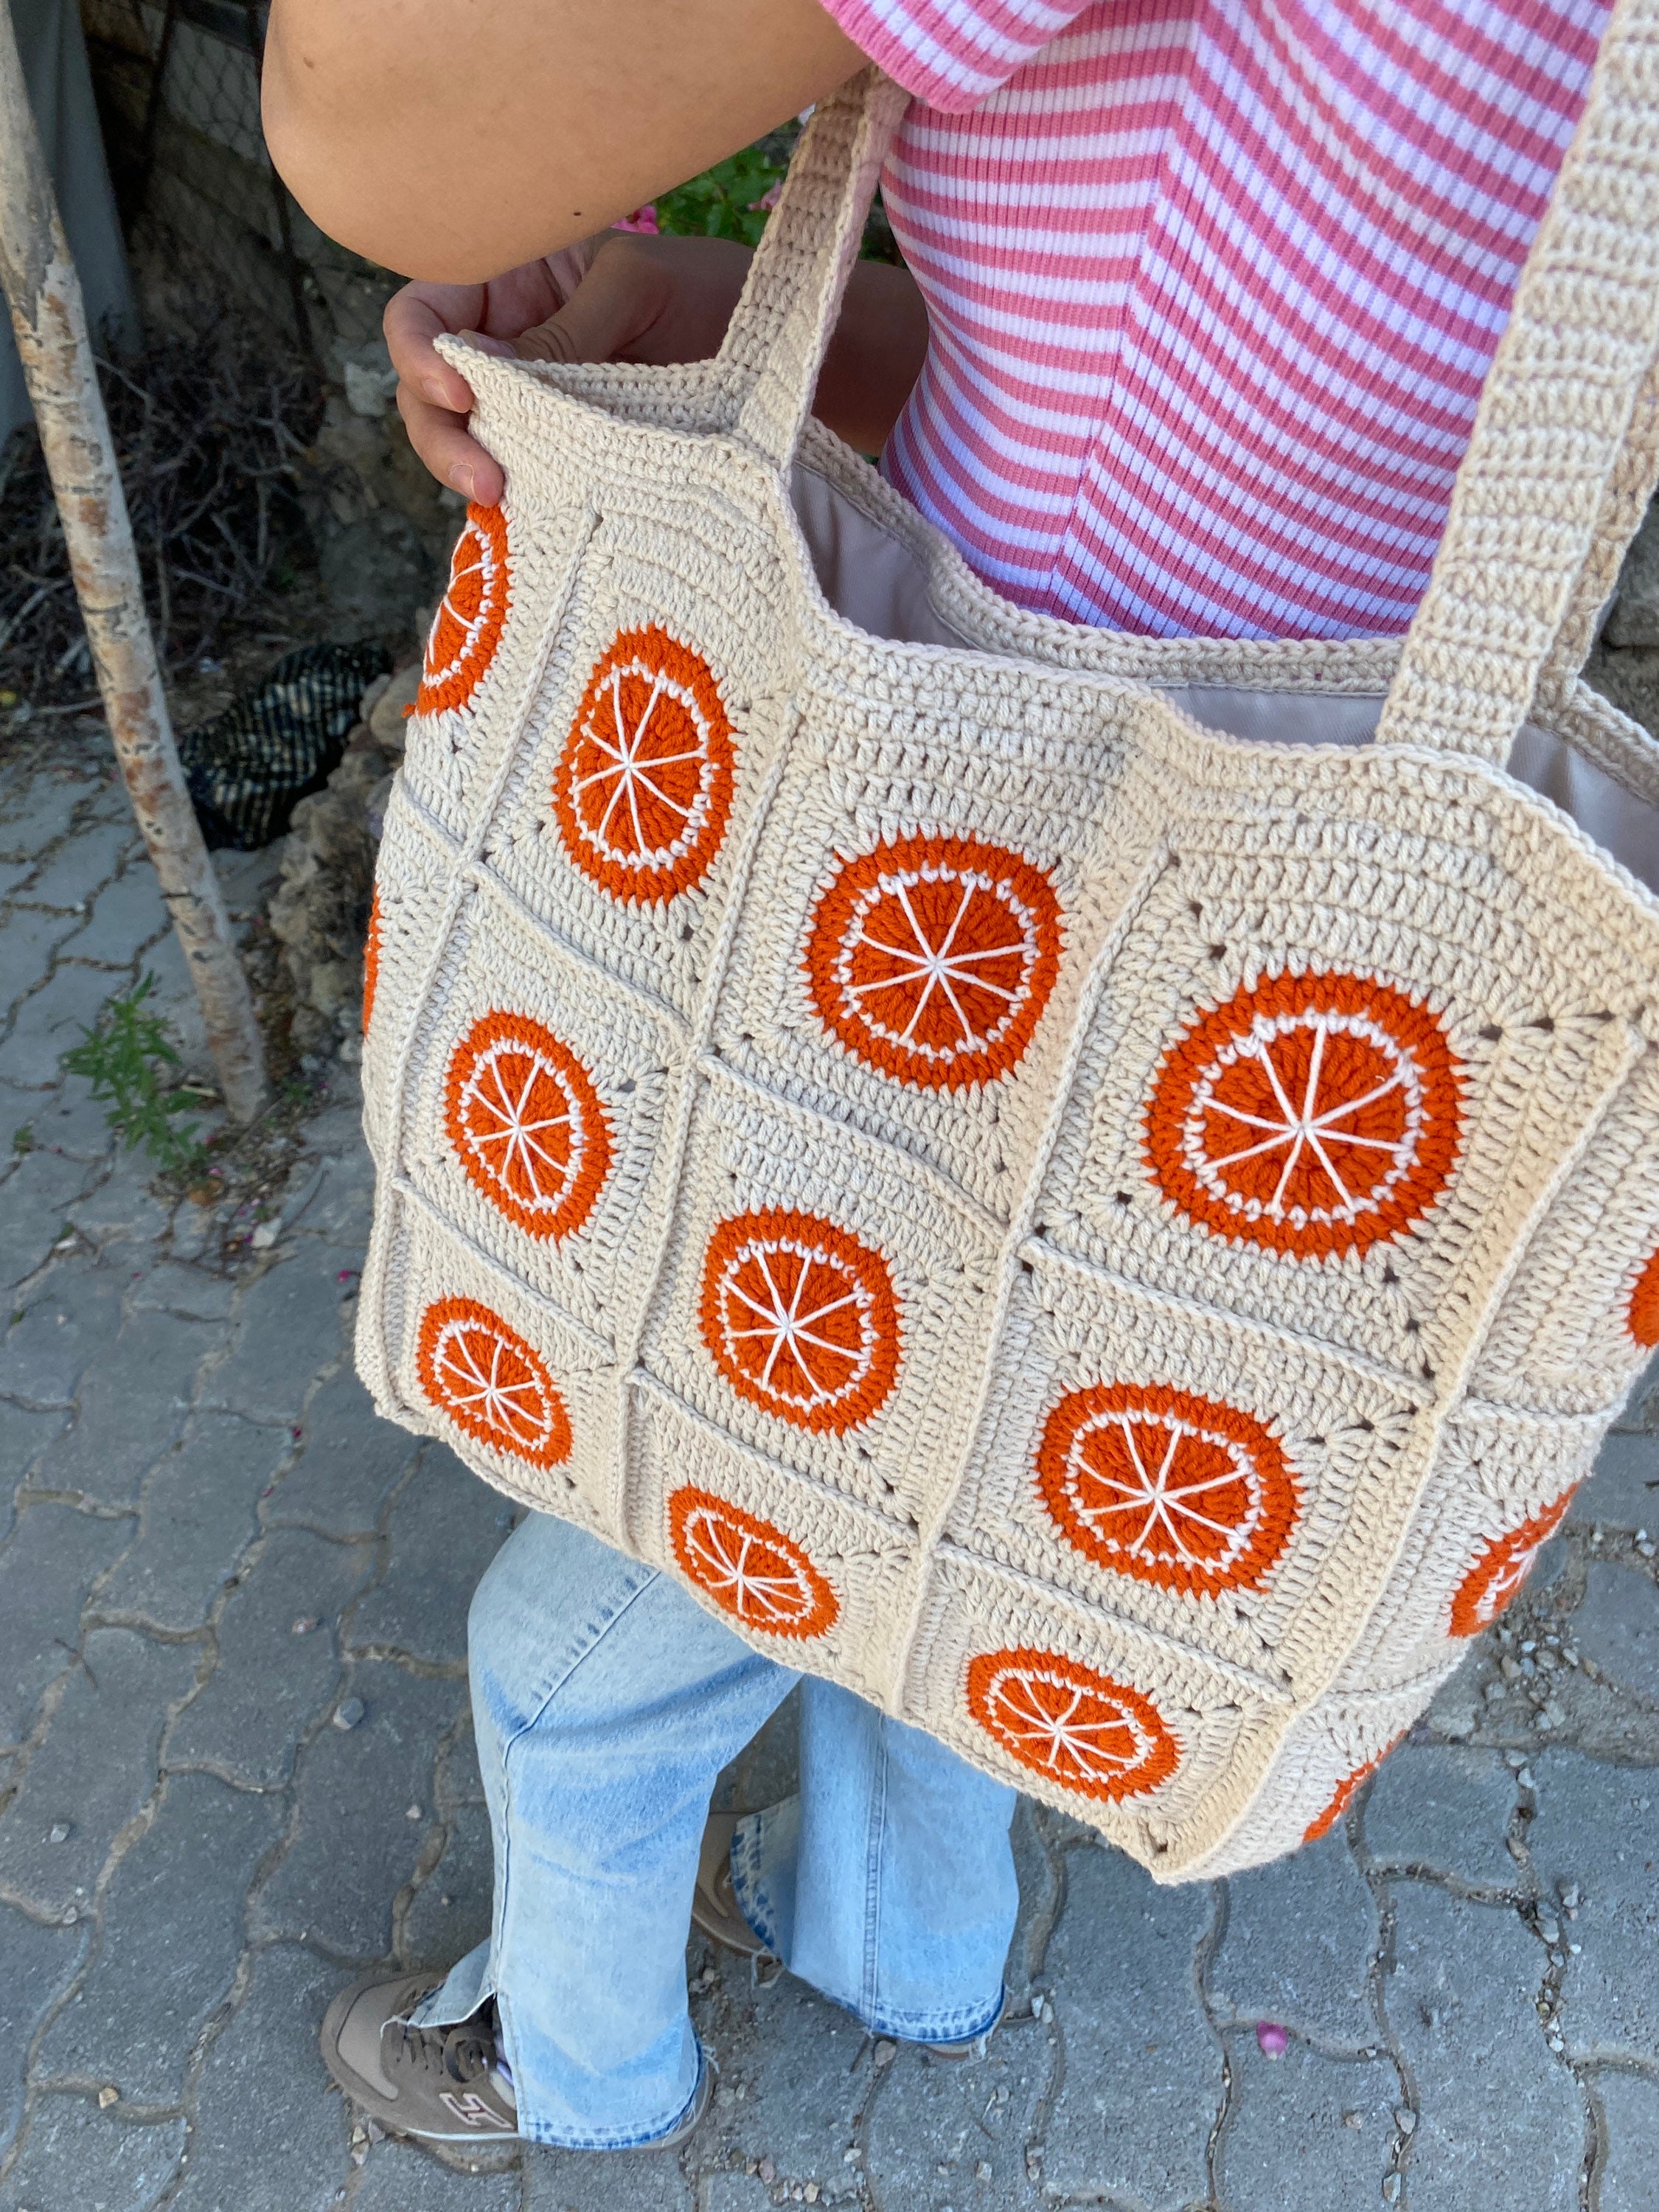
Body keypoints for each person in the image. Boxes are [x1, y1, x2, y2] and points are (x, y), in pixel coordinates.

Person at [264, 0, 1614, 2152]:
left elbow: (372, 122)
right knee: (982, 1516)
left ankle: (570, 2057)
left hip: (960, 934)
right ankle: (905, 1956)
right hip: (1251, 999)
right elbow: (1232, 372)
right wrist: (697, 308)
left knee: (607, 1615)